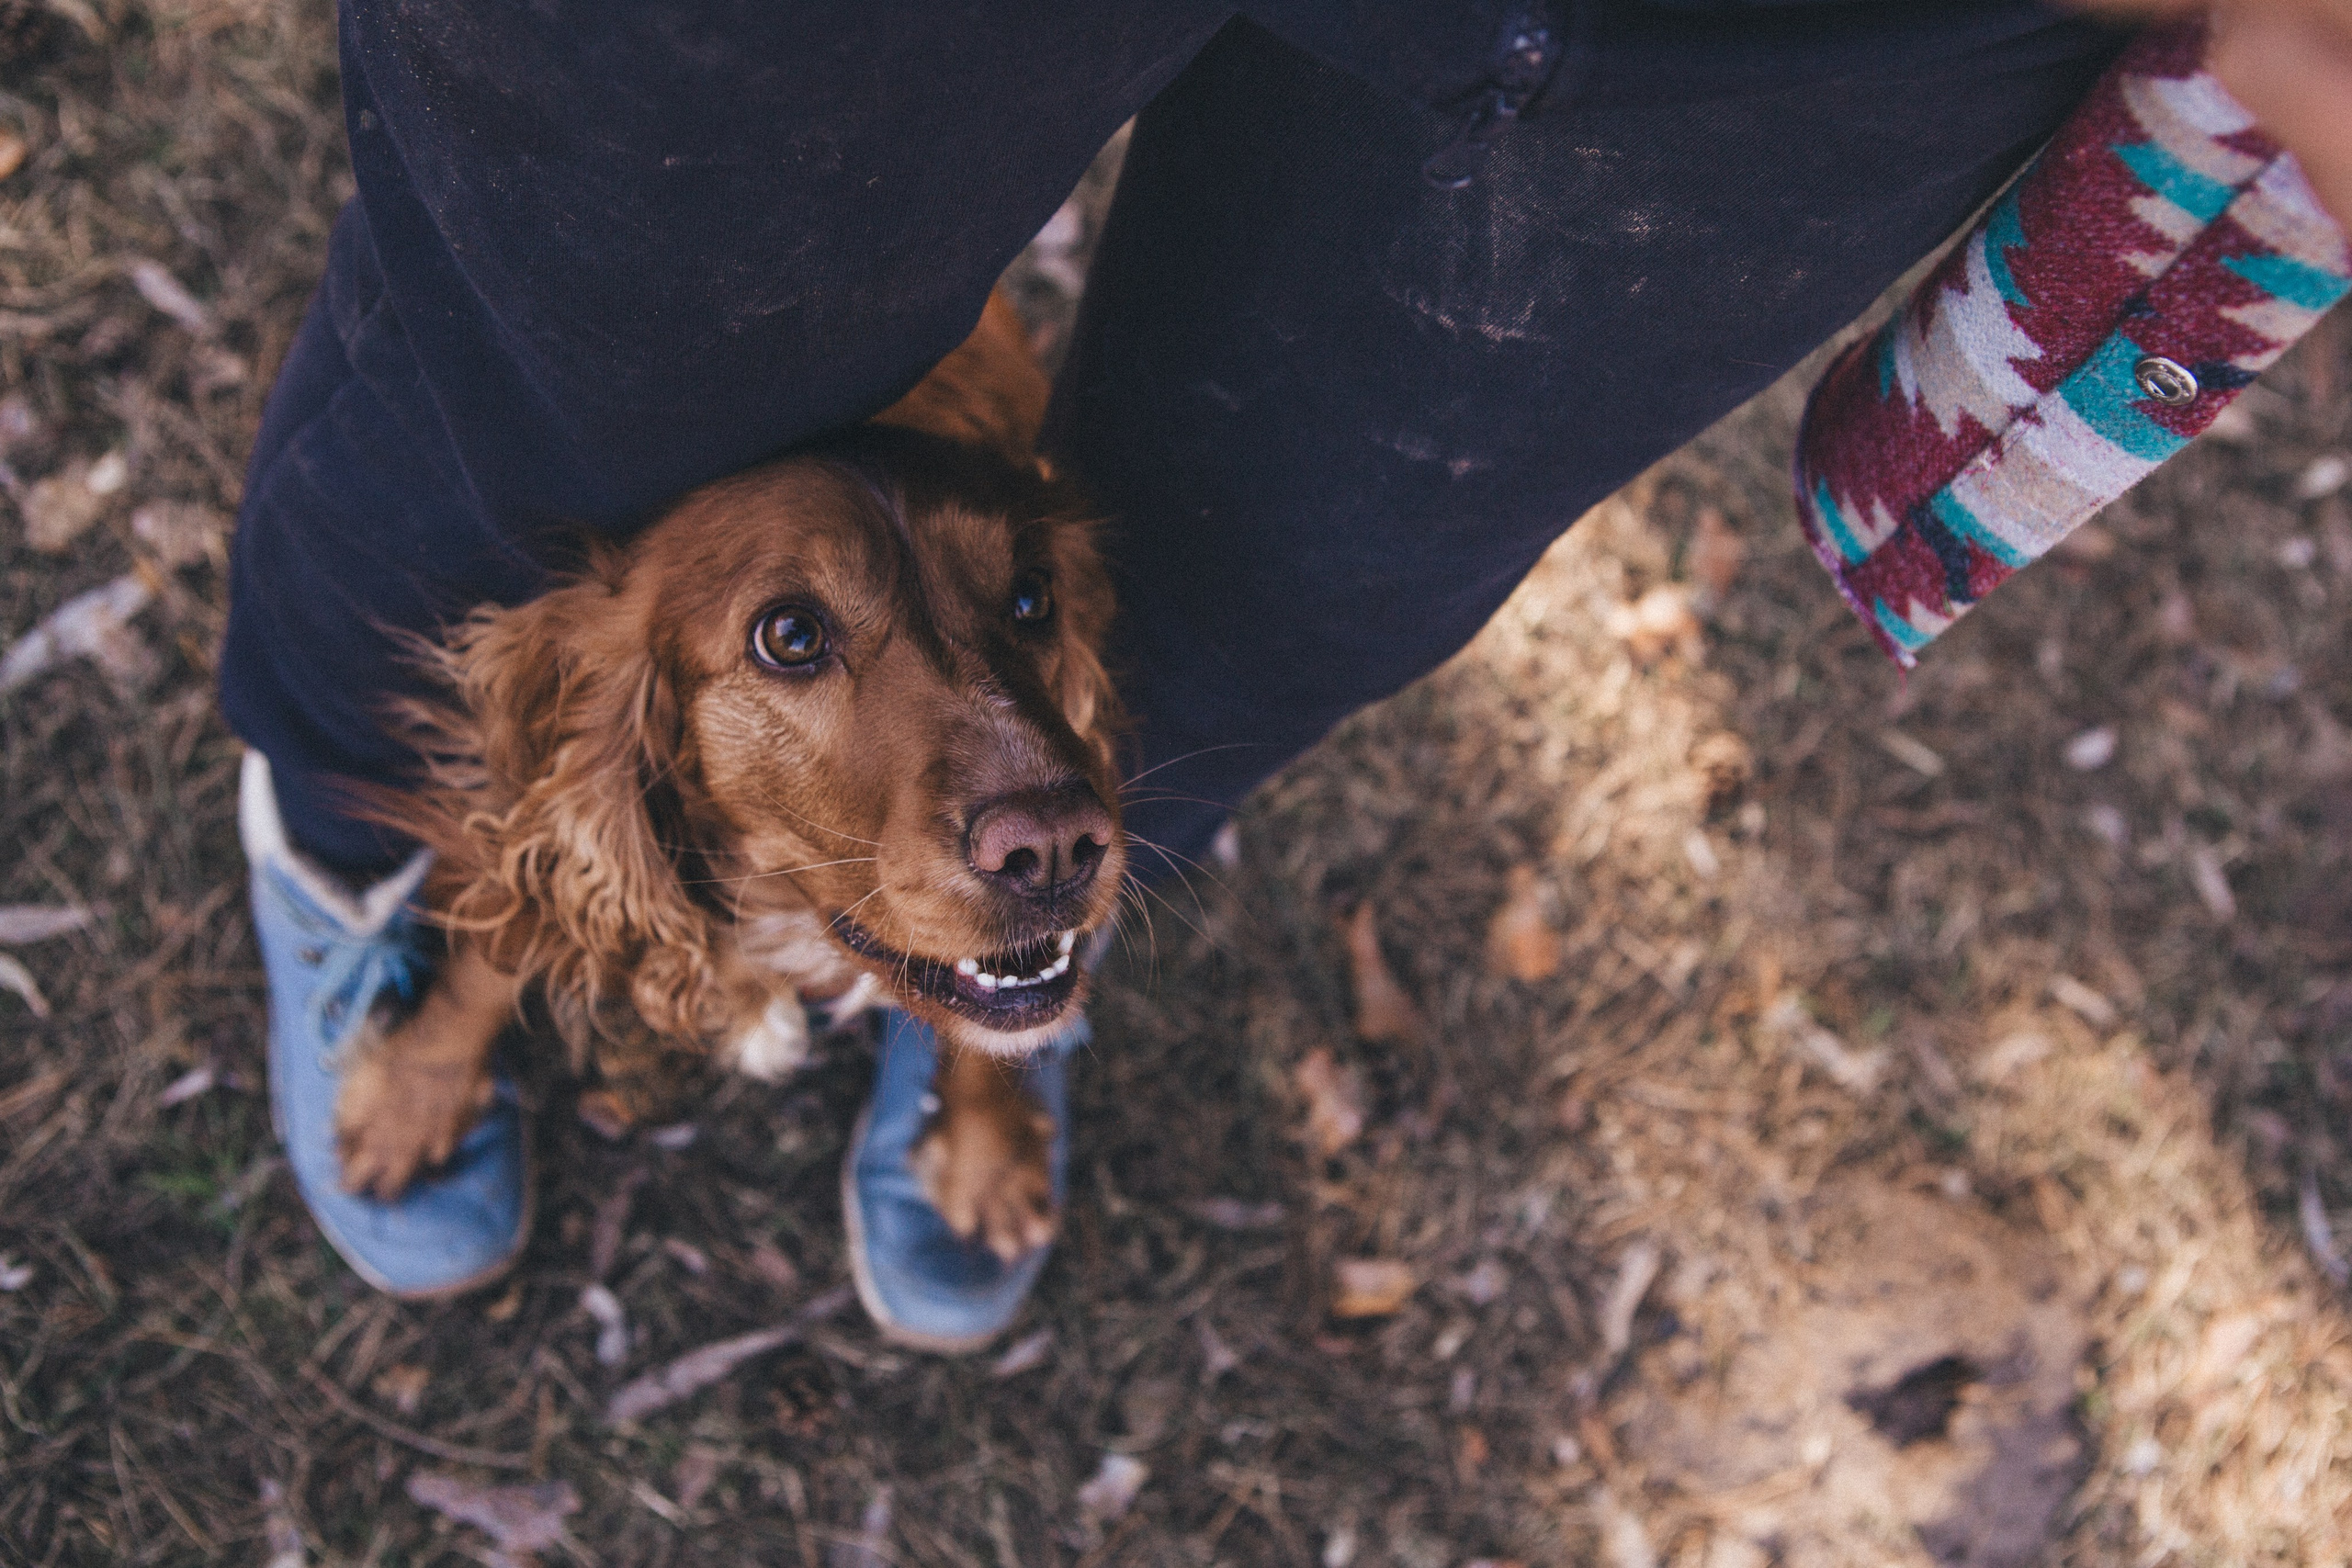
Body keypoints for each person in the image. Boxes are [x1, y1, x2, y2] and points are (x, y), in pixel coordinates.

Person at [220, 0, 2352, 1342]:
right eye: (796, 652)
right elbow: (576, 743)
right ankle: (367, 888)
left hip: (1757, 45)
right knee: (533, 404)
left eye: (1013, 628)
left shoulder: (1032, 672)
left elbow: (1057, 643)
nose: (1023, 751)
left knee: (1273, 567)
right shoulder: (610, 739)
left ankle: (982, 1015)